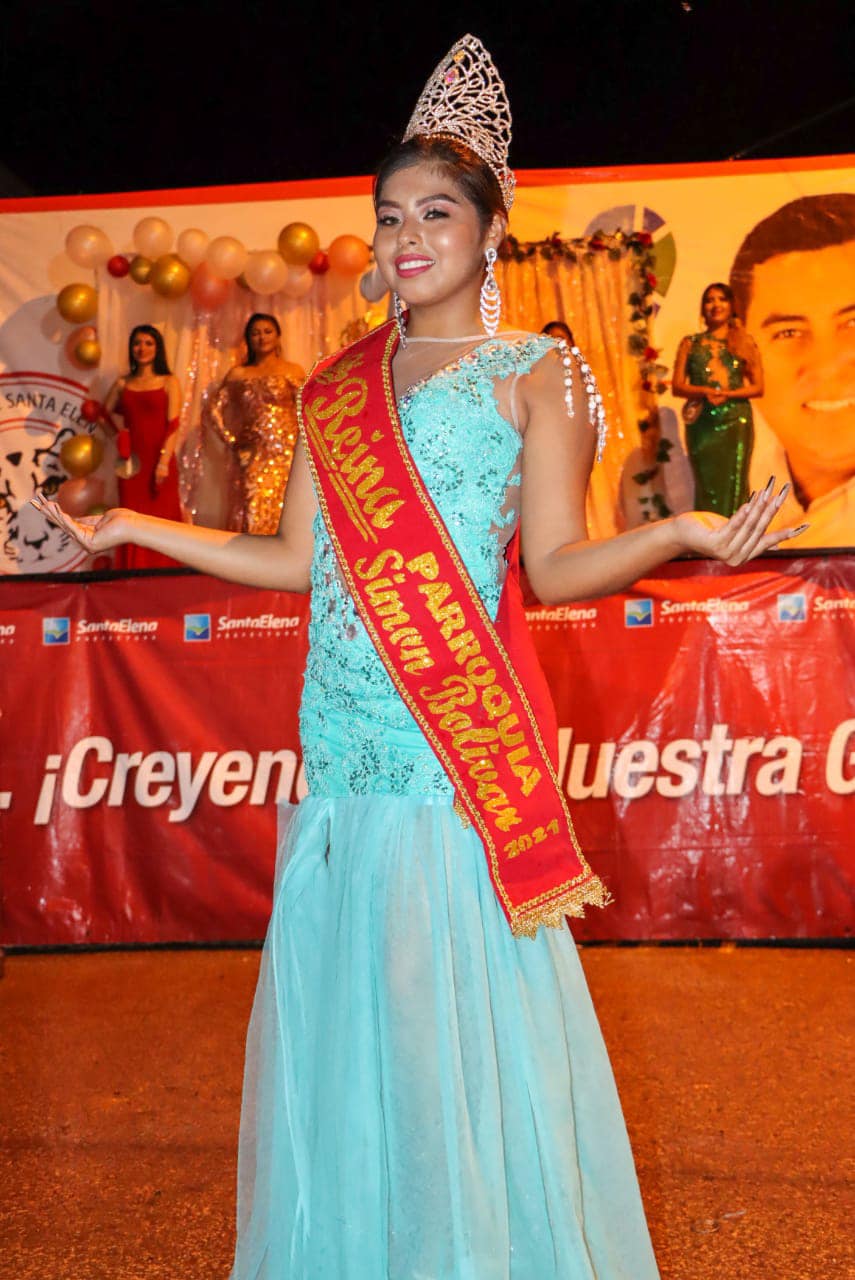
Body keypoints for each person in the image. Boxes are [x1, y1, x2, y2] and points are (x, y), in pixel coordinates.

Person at [33, 34, 804, 1279]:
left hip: (449, 748)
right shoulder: (336, 385)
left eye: (436, 212)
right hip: (339, 739)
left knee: (431, 1009)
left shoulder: (537, 370)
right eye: (390, 215)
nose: (406, 236)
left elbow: (555, 565)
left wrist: (679, 531)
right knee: (353, 1015)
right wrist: (132, 523)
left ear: (490, 231)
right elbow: (296, 560)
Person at [729, 193, 855, 548]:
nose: (827, 366)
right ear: (740, 351)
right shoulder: (722, 498)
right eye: (788, 333)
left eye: (852, 324)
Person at [204, 313, 305, 534]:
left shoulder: (292, 371)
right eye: (255, 333)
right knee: (253, 510)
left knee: (288, 511)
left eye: (268, 332)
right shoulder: (239, 374)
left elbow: (307, 409)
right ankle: (254, 555)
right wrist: (233, 442)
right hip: (254, 455)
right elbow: (213, 410)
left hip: (289, 455)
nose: (262, 337)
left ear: (278, 336)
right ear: (248, 339)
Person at [671, 283, 764, 516]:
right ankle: (708, 534)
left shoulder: (744, 342)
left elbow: (758, 387)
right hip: (703, 422)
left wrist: (728, 394)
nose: (716, 305)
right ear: (703, 308)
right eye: (709, 300)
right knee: (707, 485)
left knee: (735, 485)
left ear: (731, 306)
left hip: (736, 421)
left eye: (722, 299)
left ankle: (736, 535)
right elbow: (677, 386)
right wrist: (704, 391)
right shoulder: (690, 343)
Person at [103, 324, 185, 569]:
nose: (142, 348)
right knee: (131, 518)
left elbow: (173, 426)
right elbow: (102, 416)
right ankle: (132, 572)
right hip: (131, 465)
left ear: (157, 348)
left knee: (163, 519)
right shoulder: (122, 383)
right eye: (137, 343)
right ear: (131, 348)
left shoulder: (169, 381)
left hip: (160, 461)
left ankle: (164, 574)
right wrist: (120, 440)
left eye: (148, 343)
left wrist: (163, 462)